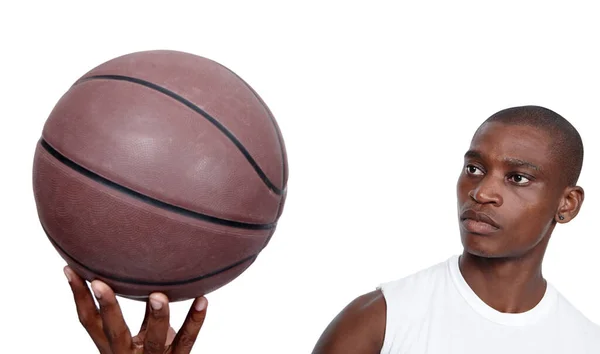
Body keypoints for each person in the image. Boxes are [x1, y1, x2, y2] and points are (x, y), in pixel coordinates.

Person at [64, 105, 600, 353]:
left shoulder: (583, 341)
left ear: (567, 204)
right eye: (475, 168)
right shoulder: (382, 320)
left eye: (519, 177)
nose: (483, 191)